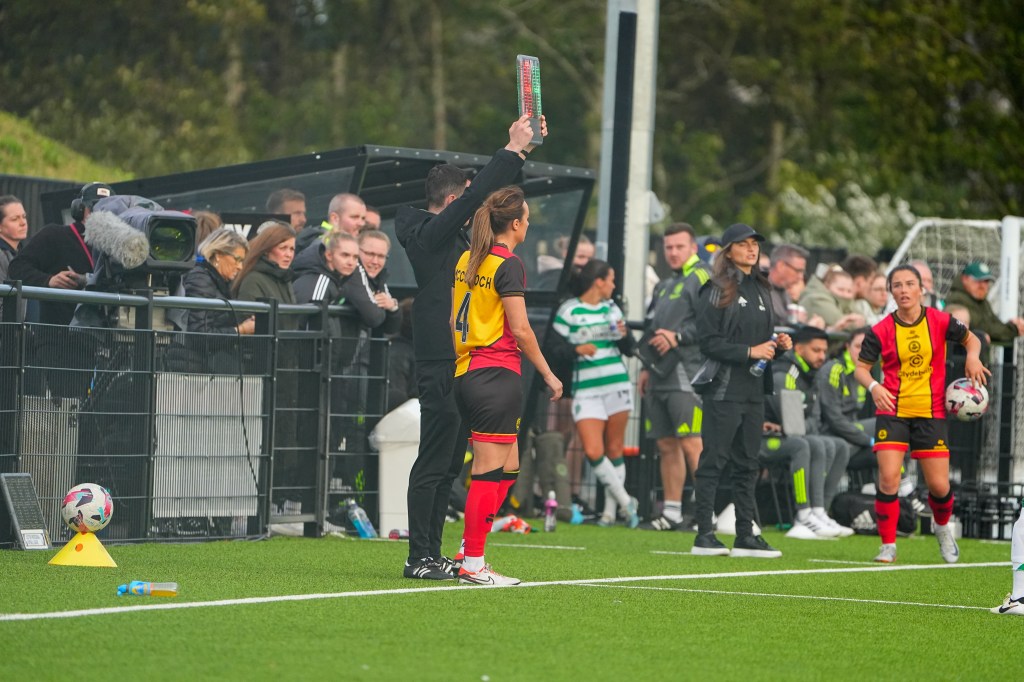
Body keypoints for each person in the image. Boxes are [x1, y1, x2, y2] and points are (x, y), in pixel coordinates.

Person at [396, 114, 544, 581]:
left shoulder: (459, 237)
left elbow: (491, 210)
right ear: (456, 198)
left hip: (465, 364)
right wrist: (514, 150)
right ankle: (420, 556)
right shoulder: (425, 231)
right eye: (469, 196)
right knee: (435, 461)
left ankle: (445, 553)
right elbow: (482, 197)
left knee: (450, 467)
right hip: (442, 361)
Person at [452, 186, 562, 586]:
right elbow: (520, 329)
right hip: (495, 373)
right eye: (527, 218)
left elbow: (453, 322)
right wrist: (549, 374)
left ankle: (468, 549)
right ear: (515, 224)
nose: (528, 224)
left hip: (467, 370)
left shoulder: (468, 258)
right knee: (487, 470)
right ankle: (474, 562)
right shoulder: (507, 263)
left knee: (509, 465)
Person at [854, 264, 989, 564]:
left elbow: (972, 339)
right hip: (893, 411)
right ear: (891, 291)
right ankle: (887, 545)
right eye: (897, 285)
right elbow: (861, 368)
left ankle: (941, 528)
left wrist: (973, 357)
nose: (903, 290)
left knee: (940, 487)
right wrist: (875, 386)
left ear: (921, 289)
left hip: (931, 413)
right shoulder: (880, 330)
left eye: (909, 284)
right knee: (888, 479)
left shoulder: (940, 321)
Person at [690, 223, 792, 558]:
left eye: (754, 244)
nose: (751, 249)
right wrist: (749, 352)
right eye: (743, 244)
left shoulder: (763, 287)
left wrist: (780, 346)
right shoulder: (717, 288)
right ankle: (704, 534)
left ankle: (745, 535)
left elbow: (762, 342)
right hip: (723, 390)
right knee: (713, 461)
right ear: (728, 250)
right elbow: (707, 343)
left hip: (753, 391)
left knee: (748, 463)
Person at [552, 259, 639, 528]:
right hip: (586, 390)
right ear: (598, 281)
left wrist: (624, 335)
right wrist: (577, 350)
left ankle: (610, 512)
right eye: (611, 279)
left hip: (617, 385)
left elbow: (628, 348)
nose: (613, 285)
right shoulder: (568, 311)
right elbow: (553, 350)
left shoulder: (612, 309)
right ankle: (627, 502)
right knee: (592, 449)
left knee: (614, 448)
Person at [637, 223, 709, 530]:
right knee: (666, 444)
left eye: (680, 246)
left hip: (687, 373)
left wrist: (677, 337)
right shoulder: (663, 285)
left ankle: (707, 513)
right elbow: (654, 329)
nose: (673, 253)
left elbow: (712, 322)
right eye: (669, 247)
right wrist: (644, 368)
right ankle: (672, 512)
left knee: (692, 443)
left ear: (693, 247)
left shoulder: (703, 277)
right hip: (658, 374)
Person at [767, 325, 852, 539]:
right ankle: (803, 514)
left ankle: (820, 511)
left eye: (824, 351)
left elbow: (812, 420)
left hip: (788, 435)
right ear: (798, 349)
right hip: (765, 440)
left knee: (838, 445)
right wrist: (795, 425)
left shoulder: (810, 374)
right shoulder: (785, 374)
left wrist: (797, 425)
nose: (822, 356)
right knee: (803, 445)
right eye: (816, 350)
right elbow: (796, 428)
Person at [8, 182, 112, 326]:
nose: (102, 215)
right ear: (79, 210)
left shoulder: (114, 247)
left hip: (102, 339)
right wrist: (48, 281)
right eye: (95, 208)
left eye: (109, 210)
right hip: (56, 338)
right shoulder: (55, 235)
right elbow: (16, 267)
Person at [180, 228, 254, 372]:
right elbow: (199, 334)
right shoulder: (200, 279)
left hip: (202, 366)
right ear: (218, 255)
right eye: (237, 260)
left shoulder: (214, 280)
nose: (240, 267)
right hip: (194, 369)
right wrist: (242, 330)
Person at [817, 327, 876, 482]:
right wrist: (866, 440)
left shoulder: (865, 371)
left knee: (892, 434)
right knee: (882, 428)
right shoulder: (834, 370)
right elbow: (833, 418)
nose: (862, 351)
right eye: (858, 346)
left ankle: (896, 493)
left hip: (851, 432)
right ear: (847, 346)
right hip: (831, 433)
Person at [945, 261, 1024, 344]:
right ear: (965, 279)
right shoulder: (958, 299)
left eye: (986, 281)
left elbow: (993, 324)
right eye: (978, 281)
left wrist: (1012, 325)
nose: (983, 286)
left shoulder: (982, 301)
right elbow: (984, 328)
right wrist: (1014, 329)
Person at [296, 193, 366, 253]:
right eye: (354, 217)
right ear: (334, 218)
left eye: (363, 218)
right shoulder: (323, 243)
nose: (361, 223)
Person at [764, 243, 809, 325]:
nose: (801, 277)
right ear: (781, 266)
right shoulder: (758, 287)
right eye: (798, 271)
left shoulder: (783, 290)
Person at [0, 195, 28, 284]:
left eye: (24, 216)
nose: (23, 223)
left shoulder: (23, 252)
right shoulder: (1, 256)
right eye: (14, 219)